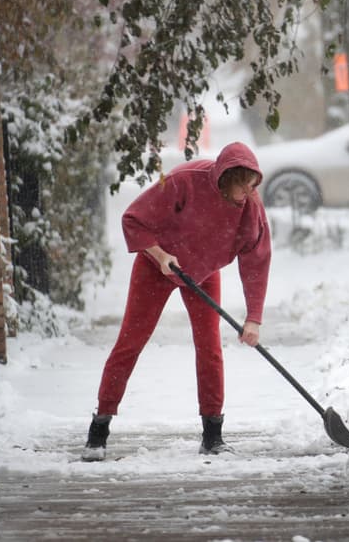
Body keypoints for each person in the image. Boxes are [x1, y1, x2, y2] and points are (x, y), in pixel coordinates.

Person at [82, 142, 272, 461]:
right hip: (157, 265)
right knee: (130, 342)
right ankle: (98, 431)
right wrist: (159, 255)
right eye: (242, 185)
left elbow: (257, 259)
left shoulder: (251, 207)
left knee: (209, 348)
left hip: (203, 270)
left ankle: (213, 435)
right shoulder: (184, 180)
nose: (247, 193)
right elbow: (133, 219)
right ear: (225, 177)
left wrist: (254, 318)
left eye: (252, 185)